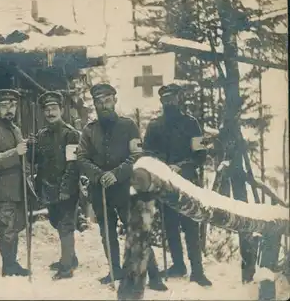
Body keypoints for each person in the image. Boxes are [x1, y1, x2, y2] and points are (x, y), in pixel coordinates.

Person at [76, 83, 167, 291]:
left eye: (107, 100)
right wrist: (99, 176)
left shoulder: (128, 126)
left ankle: (153, 275)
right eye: (98, 102)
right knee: (106, 232)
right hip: (100, 190)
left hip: (126, 188)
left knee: (136, 232)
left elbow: (136, 155)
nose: (103, 105)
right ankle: (114, 270)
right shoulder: (89, 131)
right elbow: (81, 158)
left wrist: (115, 174)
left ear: (114, 100)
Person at [142, 83, 212, 286]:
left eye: (172, 98)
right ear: (161, 101)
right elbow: (147, 152)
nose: (168, 102)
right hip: (164, 182)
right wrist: (163, 165)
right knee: (170, 225)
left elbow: (201, 155)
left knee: (191, 225)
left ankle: (197, 271)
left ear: (179, 99)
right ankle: (178, 265)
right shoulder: (154, 126)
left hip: (187, 182)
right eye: (165, 99)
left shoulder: (192, 124)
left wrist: (182, 166)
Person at [27, 91, 80, 280]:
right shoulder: (41, 135)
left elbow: (73, 165)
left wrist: (66, 189)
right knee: (56, 222)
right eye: (47, 109)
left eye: (54, 109)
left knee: (65, 226)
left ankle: (66, 268)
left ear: (61, 110)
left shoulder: (71, 134)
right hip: (48, 189)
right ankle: (71, 258)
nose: (50, 113)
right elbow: (35, 161)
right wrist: (31, 147)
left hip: (66, 189)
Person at [0, 88, 30, 277]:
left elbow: (22, 156)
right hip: (2, 189)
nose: (9, 109)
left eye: (12, 105)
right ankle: (8, 267)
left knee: (15, 227)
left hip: (18, 187)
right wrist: (15, 152)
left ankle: (12, 263)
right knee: (7, 230)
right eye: (4, 105)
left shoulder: (15, 129)